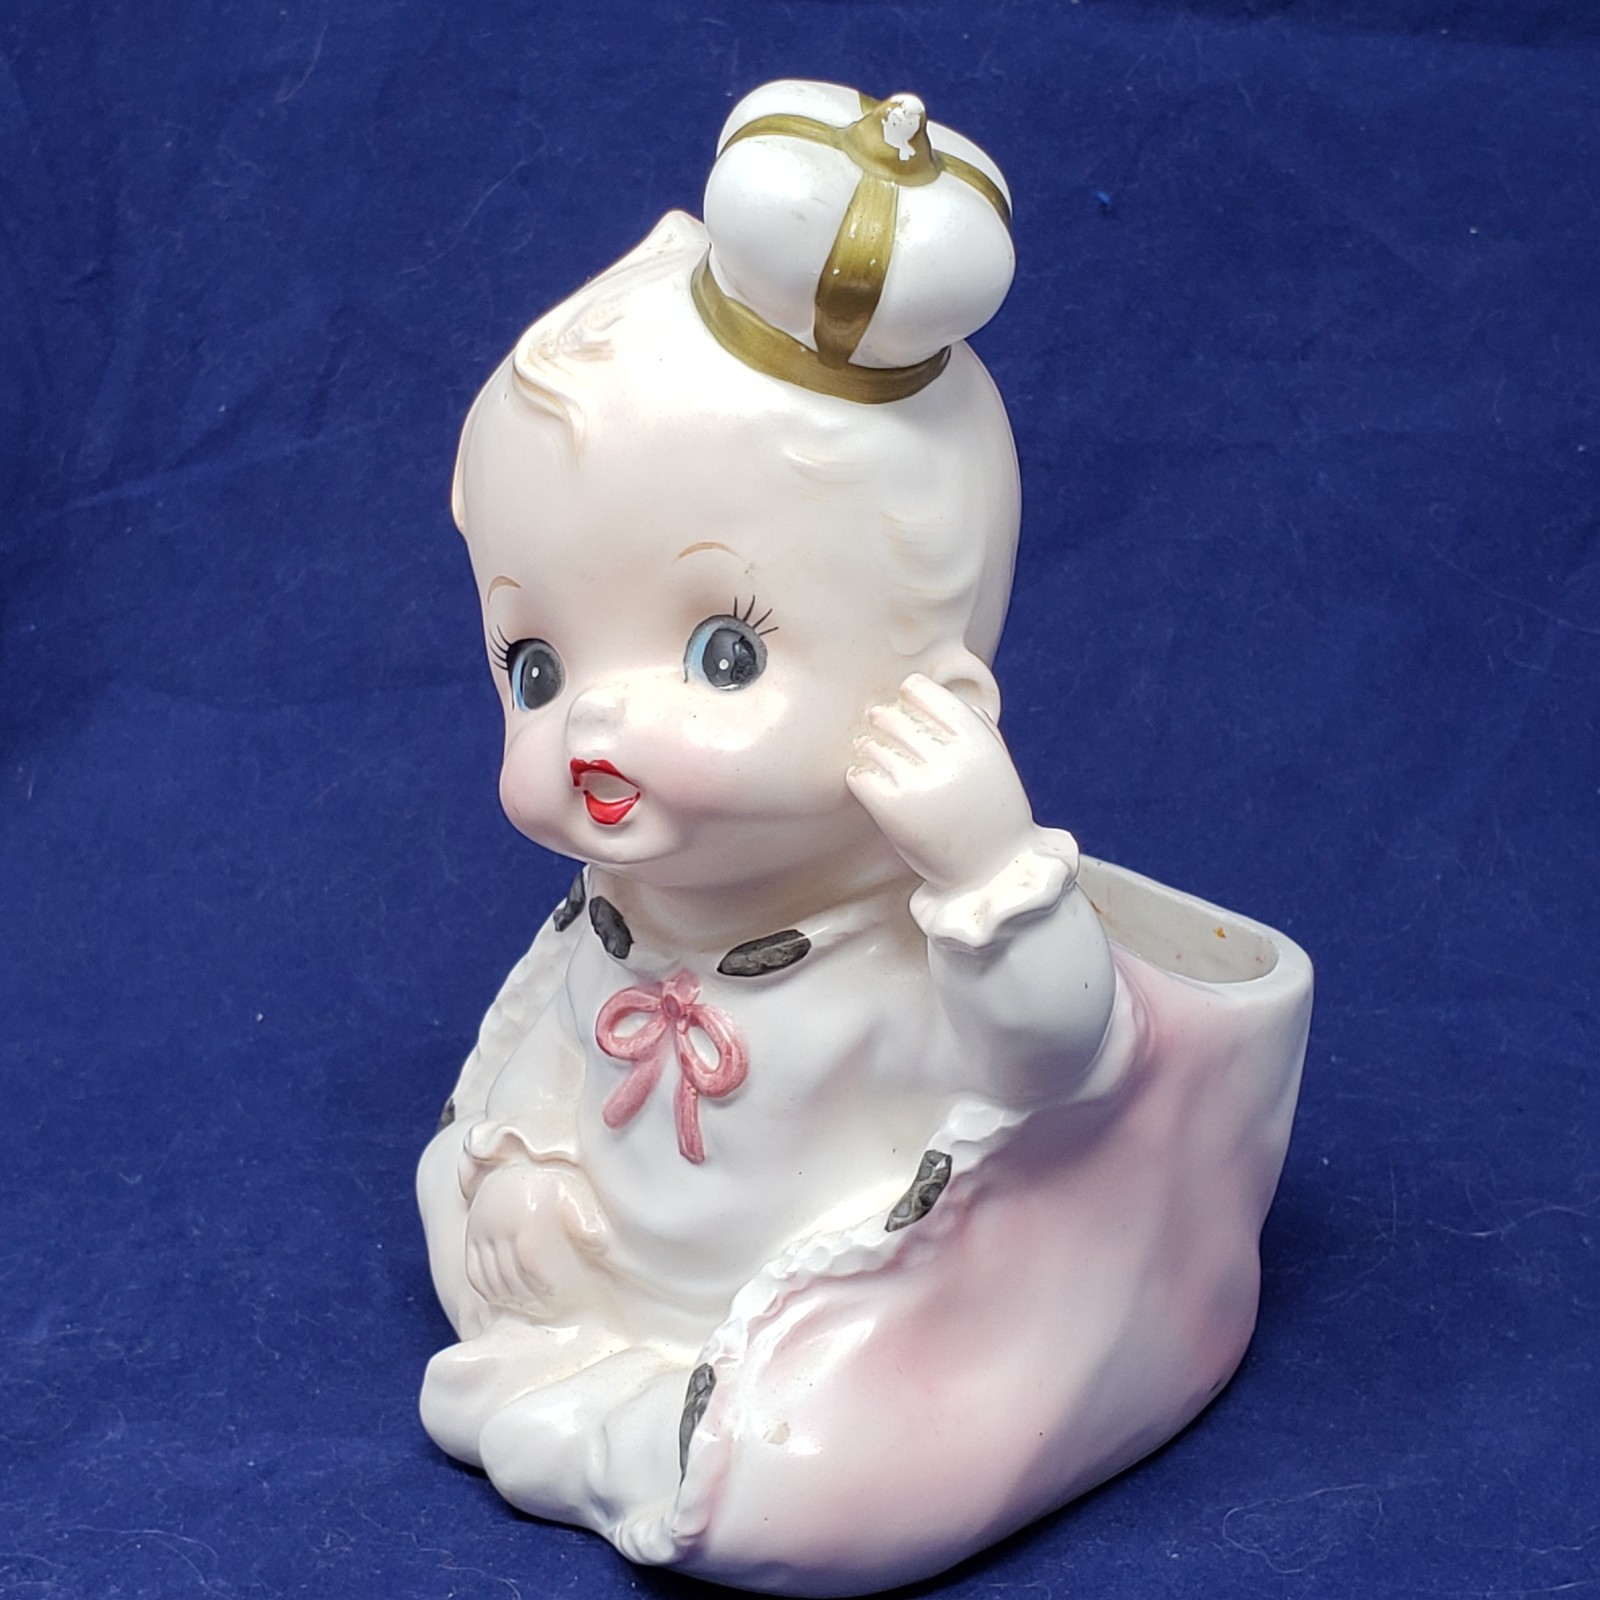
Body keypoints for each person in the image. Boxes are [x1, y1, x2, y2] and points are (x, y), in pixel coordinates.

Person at [416, 83, 1311, 1597]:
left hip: (848, 1302)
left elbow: (1057, 1058)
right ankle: (613, 1382)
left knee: (816, 1493)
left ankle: (664, 1425)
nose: (590, 729)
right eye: (537, 666)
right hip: (629, 1268)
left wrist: (988, 871)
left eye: (722, 656)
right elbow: (545, 1064)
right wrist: (520, 1178)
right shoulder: (630, 908)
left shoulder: (926, 939)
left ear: (939, 699)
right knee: (452, 1190)